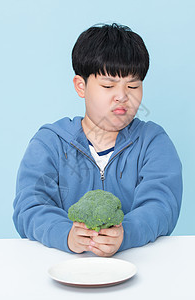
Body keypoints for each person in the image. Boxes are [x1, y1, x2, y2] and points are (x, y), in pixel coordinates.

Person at [13, 23, 182, 257]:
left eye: (133, 85)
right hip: (64, 266)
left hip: (136, 265)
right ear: (81, 86)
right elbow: (29, 207)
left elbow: (162, 206)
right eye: (108, 85)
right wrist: (66, 234)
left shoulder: (153, 142)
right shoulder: (50, 143)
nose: (122, 96)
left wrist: (126, 233)